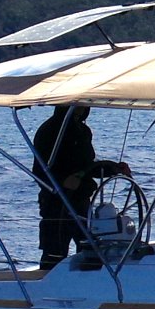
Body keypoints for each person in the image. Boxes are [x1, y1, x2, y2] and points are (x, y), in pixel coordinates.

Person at [31, 105, 127, 270]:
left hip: (82, 201)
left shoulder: (83, 131)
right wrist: (62, 182)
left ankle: (88, 279)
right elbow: (39, 171)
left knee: (89, 249)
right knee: (54, 253)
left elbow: (87, 167)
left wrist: (113, 169)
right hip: (56, 202)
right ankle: (47, 280)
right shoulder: (49, 130)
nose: (83, 106)